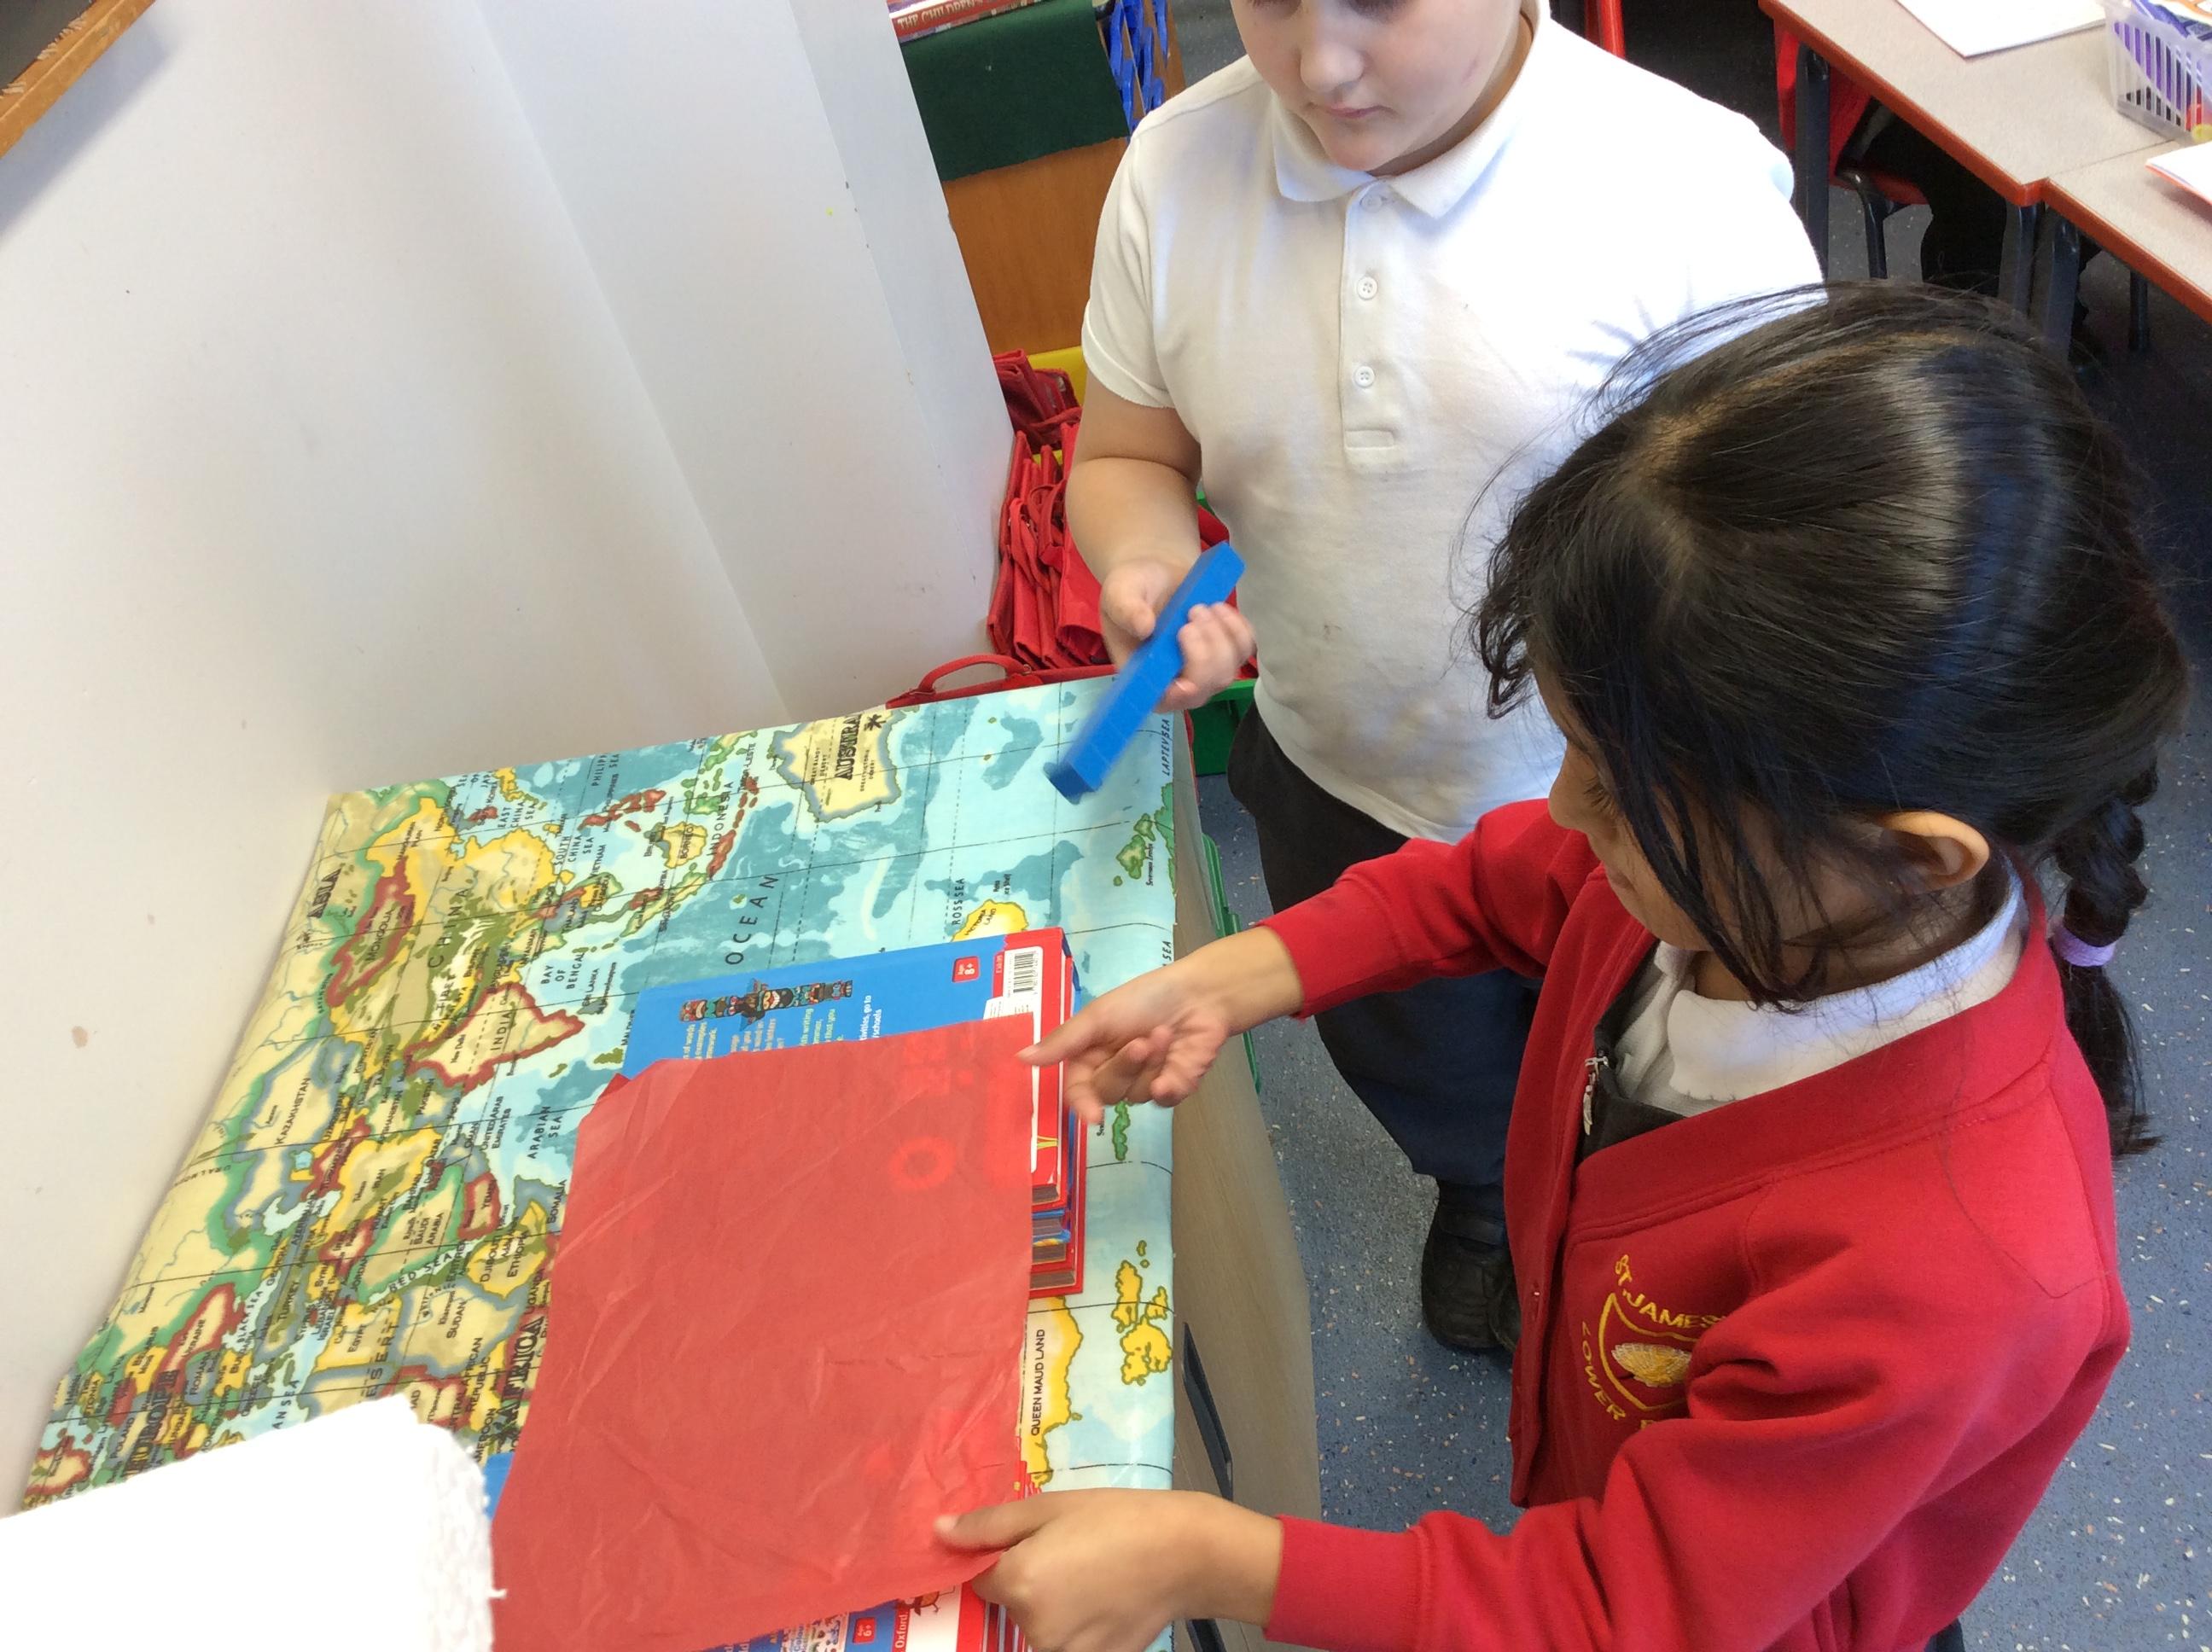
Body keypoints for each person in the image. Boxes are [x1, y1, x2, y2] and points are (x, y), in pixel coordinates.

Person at [943, 286, 2190, 1652]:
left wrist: (1210, 1556)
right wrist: (1243, 974)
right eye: (1577, 755)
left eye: (1616, 788)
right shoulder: (1737, 884)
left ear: (1912, 854)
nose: (1565, 810)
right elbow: (1494, 881)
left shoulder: (1957, 1269)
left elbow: (1620, 1609)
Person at [1071, 0, 1820, 1349]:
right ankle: (1483, 1191)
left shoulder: (1688, 189)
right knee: (1420, 1049)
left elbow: (1791, 551)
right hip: (1341, 765)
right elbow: (1129, 455)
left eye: (1381, 0)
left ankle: (1643, 1218)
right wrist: (1145, 565)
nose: (1319, 63)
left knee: (1670, 1069)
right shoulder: (1174, 171)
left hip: (1642, 797)